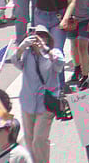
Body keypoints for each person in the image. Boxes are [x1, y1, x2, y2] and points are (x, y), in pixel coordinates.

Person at [14, 26, 64, 163]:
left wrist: (44, 48)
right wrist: (22, 47)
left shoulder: (54, 53)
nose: (38, 39)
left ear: (48, 39)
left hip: (46, 104)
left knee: (39, 139)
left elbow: (59, 64)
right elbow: (15, 62)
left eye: (42, 36)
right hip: (28, 101)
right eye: (36, 36)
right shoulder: (27, 55)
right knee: (29, 139)